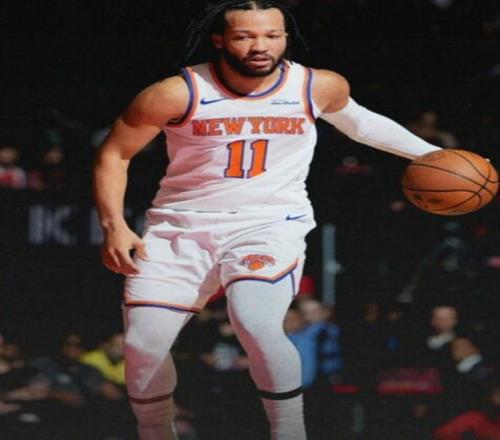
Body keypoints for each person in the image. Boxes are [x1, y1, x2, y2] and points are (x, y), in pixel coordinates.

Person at [93, 1, 442, 438]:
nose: (261, 46)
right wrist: (114, 225)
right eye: (245, 36)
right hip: (181, 224)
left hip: (269, 222)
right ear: (220, 40)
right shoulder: (176, 92)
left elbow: (361, 124)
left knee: (255, 322)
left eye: (272, 35)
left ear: (285, 38)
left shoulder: (316, 85)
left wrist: (435, 155)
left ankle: (290, 432)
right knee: (142, 346)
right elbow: (114, 153)